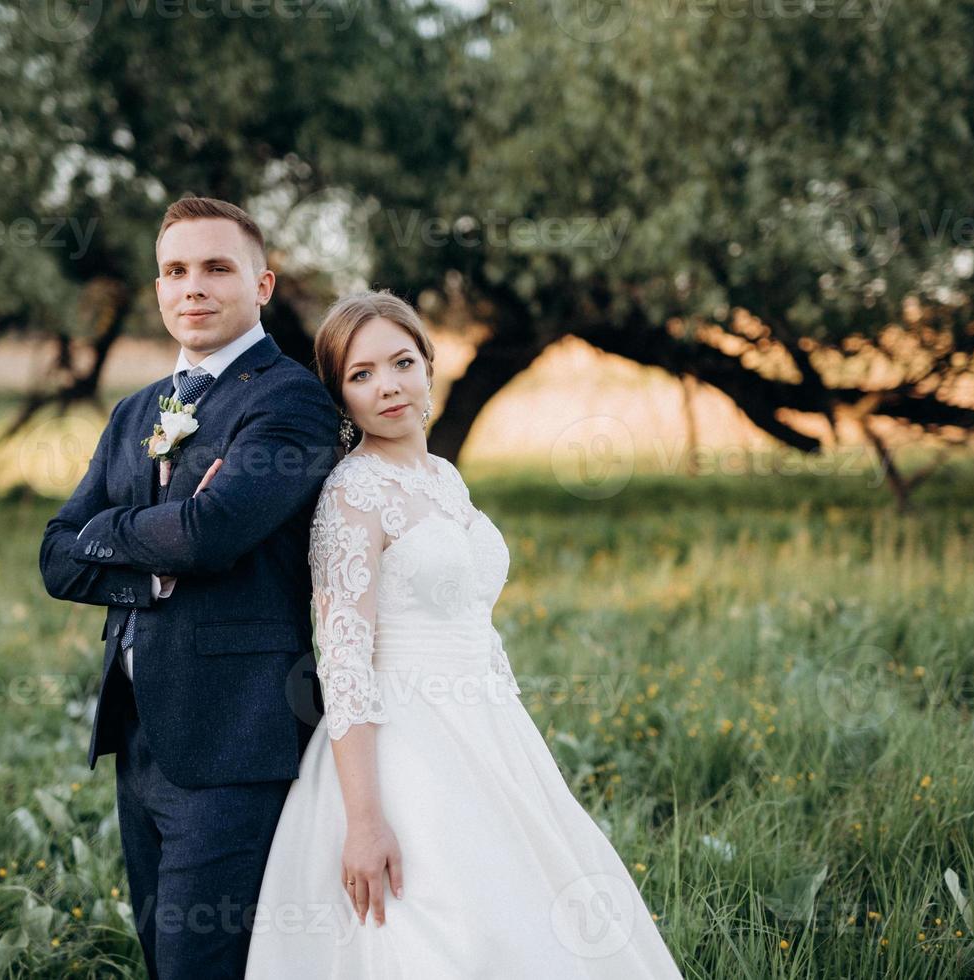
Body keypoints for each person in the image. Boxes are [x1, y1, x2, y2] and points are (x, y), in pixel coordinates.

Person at [243, 290, 686, 978]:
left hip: (488, 726)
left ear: (429, 365)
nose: (387, 385)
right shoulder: (353, 493)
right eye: (361, 375)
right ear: (341, 395)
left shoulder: (443, 479)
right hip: (403, 746)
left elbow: (473, 619)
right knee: (444, 929)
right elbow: (345, 662)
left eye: (401, 362)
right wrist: (364, 821)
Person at [38, 196, 340, 978]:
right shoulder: (138, 410)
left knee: (199, 966)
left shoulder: (292, 401)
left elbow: (213, 534)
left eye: (216, 268)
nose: (192, 287)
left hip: (234, 737)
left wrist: (131, 532)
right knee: (160, 958)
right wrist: (162, 542)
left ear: (263, 285)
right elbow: (58, 556)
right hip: (139, 738)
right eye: (175, 270)